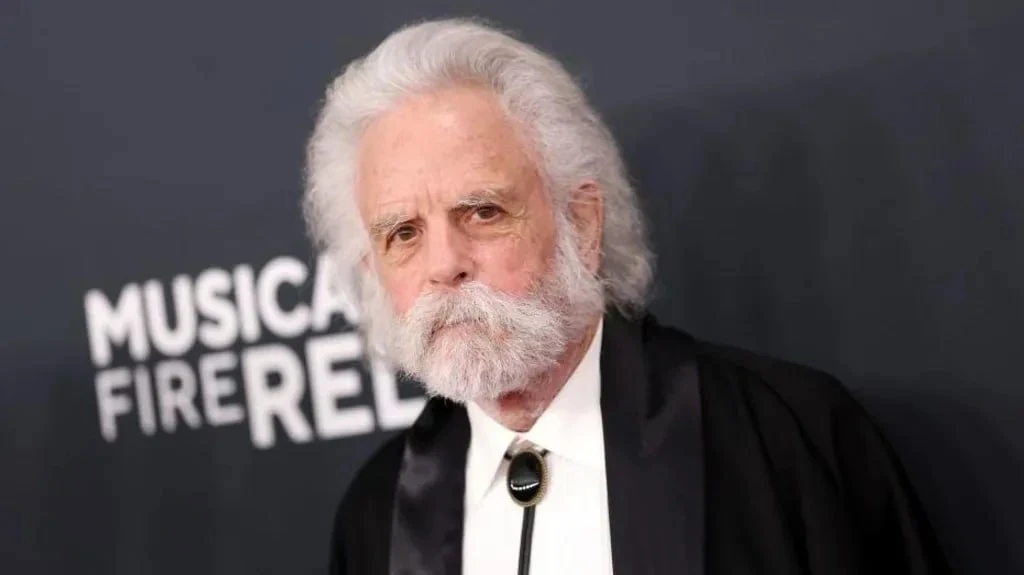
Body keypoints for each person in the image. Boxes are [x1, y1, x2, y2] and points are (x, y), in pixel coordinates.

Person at [303, 17, 950, 575]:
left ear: (582, 225)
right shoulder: (378, 515)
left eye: (483, 211)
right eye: (404, 233)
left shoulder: (787, 440)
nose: (445, 264)